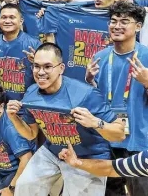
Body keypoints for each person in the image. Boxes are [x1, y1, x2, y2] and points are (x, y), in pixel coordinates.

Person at [7, 43, 125, 196]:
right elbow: (30, 134)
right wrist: (13, 117)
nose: (40, 72)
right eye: (36, 66)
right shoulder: (31, 93)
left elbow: (120, 133)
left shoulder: (85, 94)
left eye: (47, 66)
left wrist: (96, 123)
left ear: (61, 68)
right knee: (25, 186)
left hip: (88, 157)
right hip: (53, 150)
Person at [85, 1, 148, 196]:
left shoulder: (146, 56)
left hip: (139, 141)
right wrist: (89, 81)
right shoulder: (100, 57)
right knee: (111, 193)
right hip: (107, 138)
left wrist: (147, 82)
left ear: (138, 26)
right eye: (113, 21)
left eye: (124, 21)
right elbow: (95, 100)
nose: (117, 25)